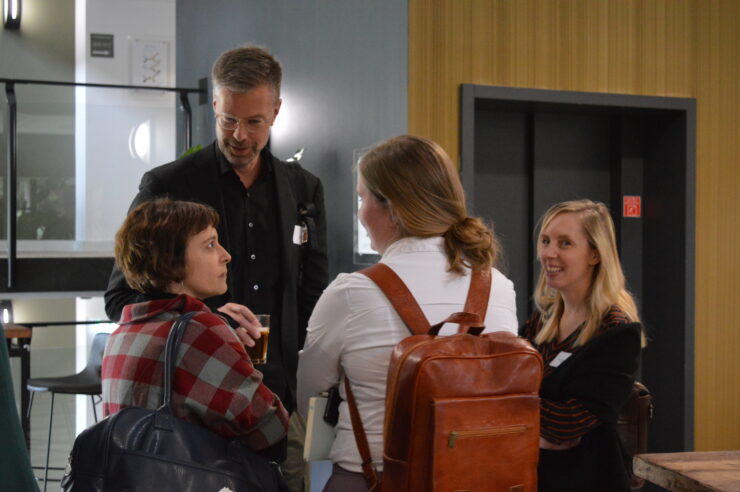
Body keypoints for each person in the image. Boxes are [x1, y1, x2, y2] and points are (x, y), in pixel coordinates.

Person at [104, 44, 328, 418]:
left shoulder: (304, 188)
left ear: (276, 112)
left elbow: (313, 294)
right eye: (229, 120)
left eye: (254, 122)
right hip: (192, 400)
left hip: (281, 398)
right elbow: (120, 299)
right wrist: (207, 323)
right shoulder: (167, 185)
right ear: (214, 106)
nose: (239, 135)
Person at [297, 135, 518, 491]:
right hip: (474, 479)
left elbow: (308, 394)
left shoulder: (350, 293)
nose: (359, 212)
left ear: (393, 208)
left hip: (371, 479)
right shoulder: (499, 286)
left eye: (362, 198)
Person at [102, 198, 289, 459]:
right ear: (171, 260)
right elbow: (272, 429)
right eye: (210, 245)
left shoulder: (123, 331)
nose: (226, 255)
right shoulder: (200, 329)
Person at [519, 199, 644, 492]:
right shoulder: (541, 321)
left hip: (587, 479)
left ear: (595, 255)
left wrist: (509, 409)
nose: (548, 253)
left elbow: (565, 425)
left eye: (565, 243)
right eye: (545, 241)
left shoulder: (617, 332)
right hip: (533, 476)